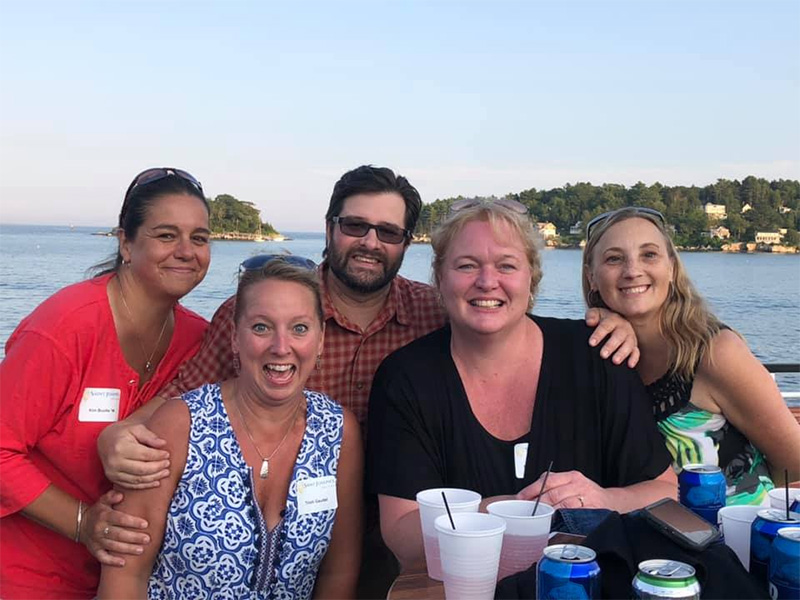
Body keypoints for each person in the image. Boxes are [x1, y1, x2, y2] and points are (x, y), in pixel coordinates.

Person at [96, 166, 638, 596]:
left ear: (407, 244)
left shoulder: (437, 311)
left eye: (389, 231)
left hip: (387, 539)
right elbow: (169, 416)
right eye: (355, 225)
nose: (370, 241)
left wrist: (608, 322)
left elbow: (496, 309)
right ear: (331, 227)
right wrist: (113, 438)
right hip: (277, 527)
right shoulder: (270, 311)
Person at [367, 199, 677, 571]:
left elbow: (664, 491)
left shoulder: (597, 355)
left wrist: (604, 499)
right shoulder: (406, 379)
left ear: (531, 276)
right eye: (466, 265)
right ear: (440, 276)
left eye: (506, 266)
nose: (487, 281)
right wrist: (514, 510)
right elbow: (403, 536)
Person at [0, 168, 211, 599]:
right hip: (26, 575)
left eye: (200, 238)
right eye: (167, 235)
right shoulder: (65, 328)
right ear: (125, 244)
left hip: (128, 580)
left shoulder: (200, 340)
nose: (187, 251)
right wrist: (83, 522)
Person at [96, 258, 363, 599]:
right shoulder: (179, 425)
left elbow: (339, 573)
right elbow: (125, 576)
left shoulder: (338, 432)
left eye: (299, 328)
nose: (281, 347)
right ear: (235, 338)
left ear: (321, 340)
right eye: (261, 327)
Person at [582, 206, 800, 503]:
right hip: (645, 542)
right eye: (614, 259)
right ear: (592, 277)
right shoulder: (594, 355)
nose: (633, 271)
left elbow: (794, 460)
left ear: (671, 268)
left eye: (649, 255)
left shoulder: (714, 352)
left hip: (735, 538)